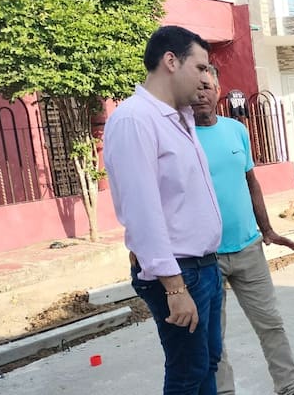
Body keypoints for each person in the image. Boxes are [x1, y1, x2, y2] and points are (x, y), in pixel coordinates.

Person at [104, 25, 223, 394]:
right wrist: (173, 287)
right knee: (188, 372)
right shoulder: (135, 120)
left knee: (207, 365)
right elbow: (142, 211)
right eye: (201, 67)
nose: (206, 78)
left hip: (204, 267)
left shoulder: (180, 118)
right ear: (171, 61)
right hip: (177, 274)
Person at [191, 67, 294, 395]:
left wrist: (267, 229)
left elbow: (250, 180)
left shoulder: (236, 130)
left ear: (218, 90)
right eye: (195, 87)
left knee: (271, 323)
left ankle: (290, 387)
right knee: (214, 335)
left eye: (207, 86)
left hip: (248, 249)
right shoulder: (179, 135)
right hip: (205, 257)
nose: (201, 93)